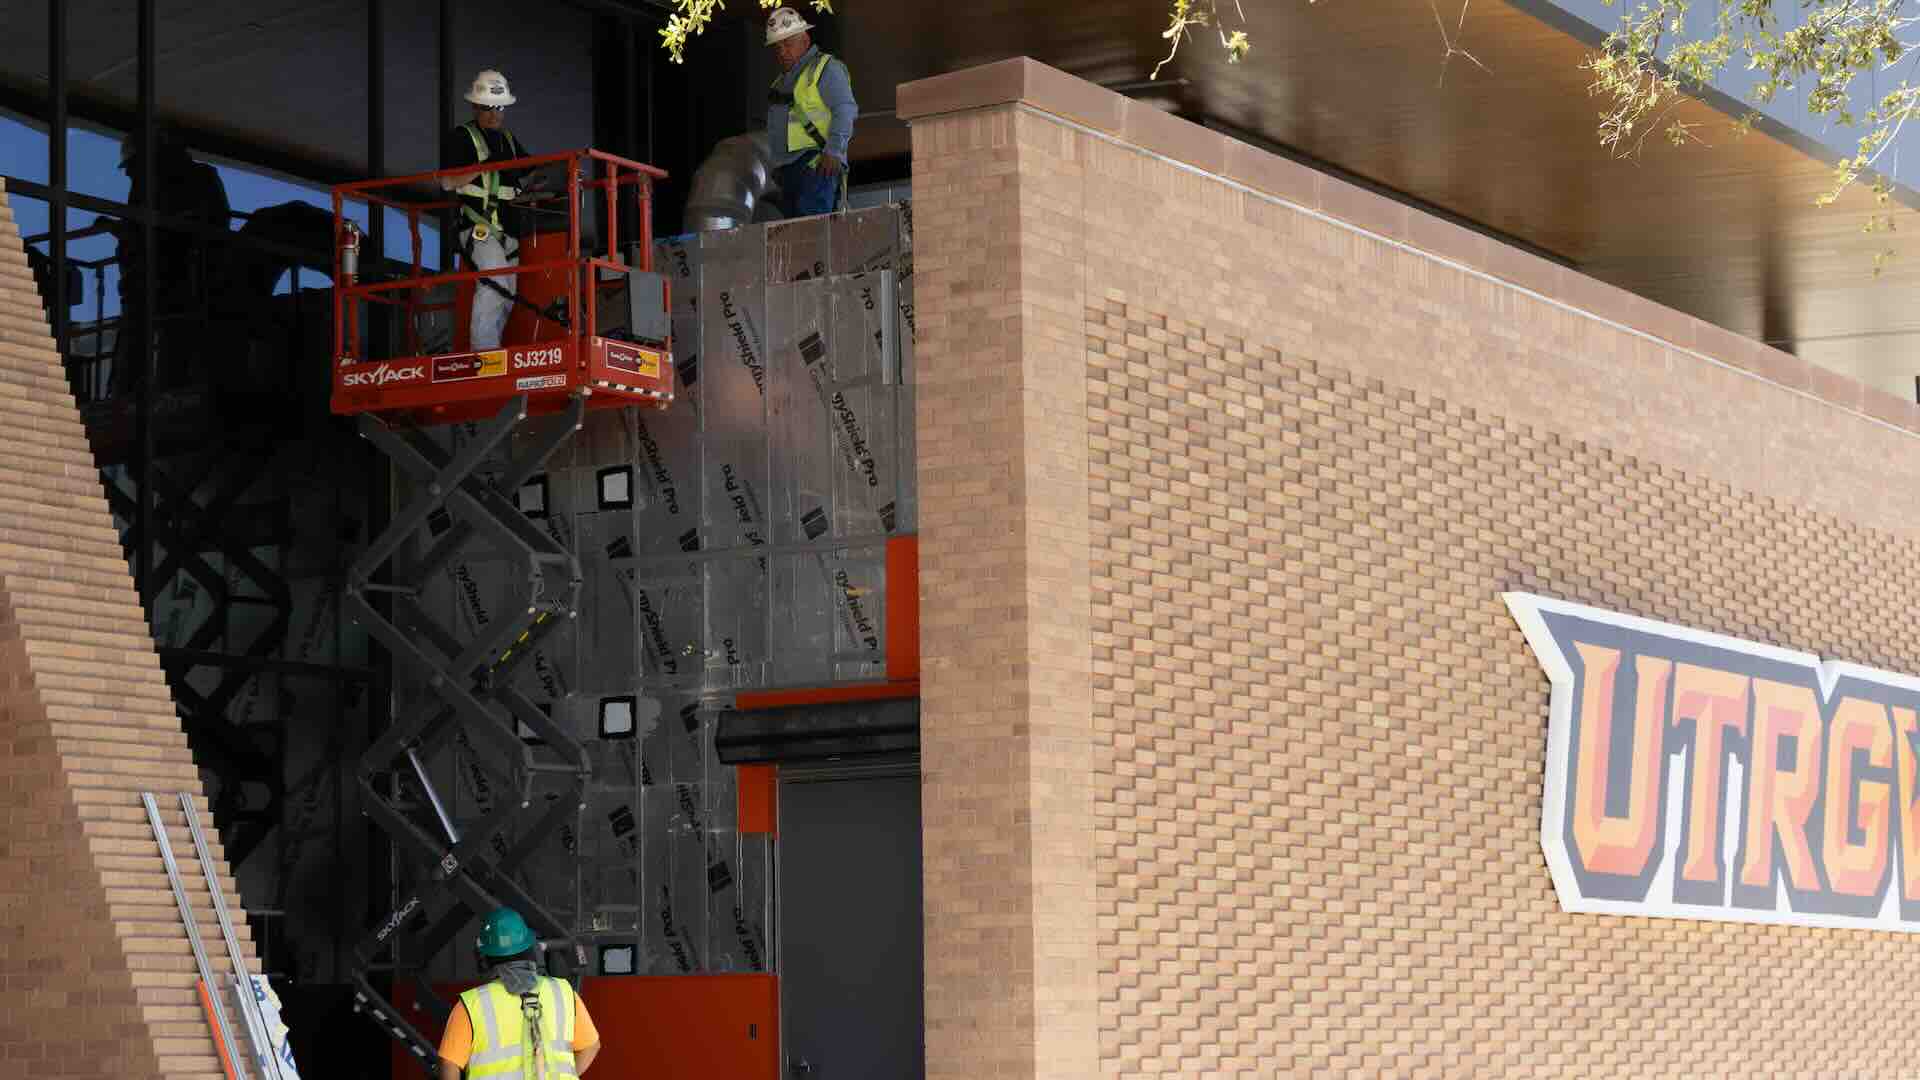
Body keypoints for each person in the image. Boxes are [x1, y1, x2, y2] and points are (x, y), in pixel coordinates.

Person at [111, 127, 231, 394]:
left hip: (179, 273)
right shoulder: (148, 184)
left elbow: (213, 222)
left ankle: (145, 387)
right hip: (160, 275)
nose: (129, 173)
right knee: (156, 334)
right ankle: (136, 387)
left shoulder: (185, 179)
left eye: (132, 166)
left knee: (171, 334)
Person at [437, 907, 602, 1079]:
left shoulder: (471, 1004)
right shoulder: (563, 993)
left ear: (484, 957)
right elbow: (591, 1047)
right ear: (529, 947)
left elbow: (449, 1064)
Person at [442, 70, 539, 351]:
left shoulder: (508, 140)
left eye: (499, 108)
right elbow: (447, 181)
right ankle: (483, 351)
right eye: (487, 108)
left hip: (507, 231)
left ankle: (491, 348)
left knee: (508, 293)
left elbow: (533, 171)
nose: (494, 114)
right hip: (478, 227)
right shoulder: (463, 137)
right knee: (494, 280)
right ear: (475, 106)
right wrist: (484, 166)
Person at [764, 7, 858, 217]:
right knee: (795, 232)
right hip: (788, 172)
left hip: (817, 164)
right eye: (777, 47)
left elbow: (845, 109)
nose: (782, 52)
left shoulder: (826, 69)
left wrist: (834, 151)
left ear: (805, 41)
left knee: (810, 229)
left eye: (787, 44)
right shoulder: (779, 84)